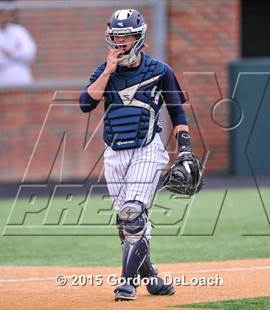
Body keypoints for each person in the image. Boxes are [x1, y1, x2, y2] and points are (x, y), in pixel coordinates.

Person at [79, 9, 197, 301]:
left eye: (126, 36)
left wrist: (184, 148)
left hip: (147, 150)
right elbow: (85, 104)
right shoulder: (103, 70)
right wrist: (107, 71)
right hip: (114, 153)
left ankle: (126, 283)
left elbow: (177, 110)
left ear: (139, 37)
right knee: (126, 223)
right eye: (116, 37)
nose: (120, 43)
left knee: (133, 215)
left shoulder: (159, 70)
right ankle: (152, 278)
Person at [0, 8, 36, 87]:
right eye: (4, 15)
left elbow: (29, 53)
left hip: (21, 82)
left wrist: (10, 53)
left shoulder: (19, 31)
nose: (7, 18)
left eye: (10, 15)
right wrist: (18, 55)